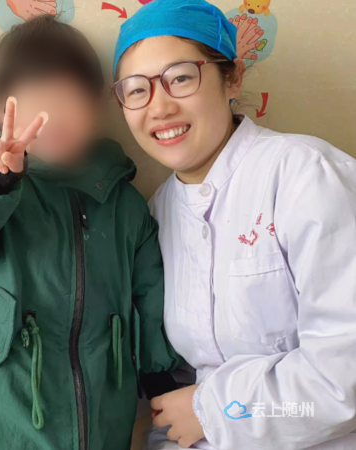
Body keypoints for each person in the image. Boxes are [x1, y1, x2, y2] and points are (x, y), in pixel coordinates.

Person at [0, 15, 181, 450]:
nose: (52, 120)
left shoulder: (125, 206)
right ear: (1, 116)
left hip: (98, 426)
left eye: (68, 102)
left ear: (97, 105)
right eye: (34, 107)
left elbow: (150, 299)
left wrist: (162, 379)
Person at [111, 0, 356, 449]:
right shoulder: (154, 215)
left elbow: (345, 378)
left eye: (180, 78)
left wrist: (214, 409)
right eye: (136, 89)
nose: (159, 108)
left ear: (233, 77)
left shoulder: (305, 175)